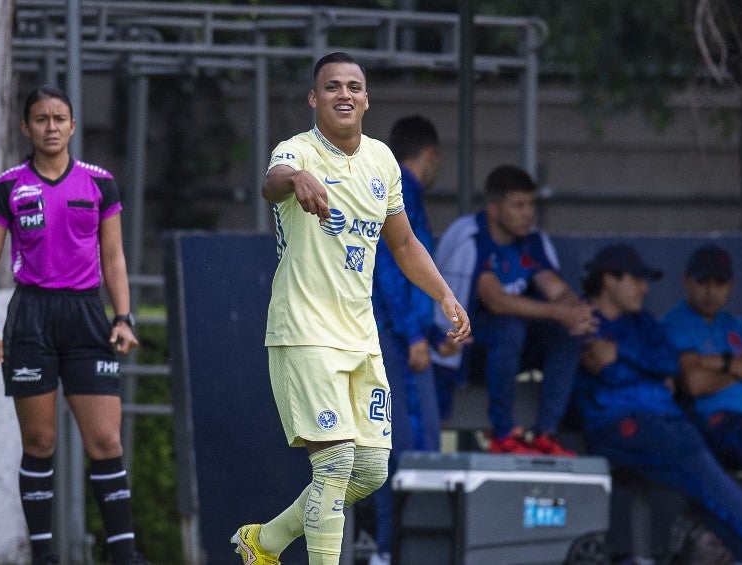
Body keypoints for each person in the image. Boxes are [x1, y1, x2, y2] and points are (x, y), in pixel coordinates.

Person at [230, 52, 470, 565]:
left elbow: (403, 245)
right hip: (305, 330)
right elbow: (271, 181)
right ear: (314, 99)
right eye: (332, 87)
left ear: (366, 99)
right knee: (335, 464)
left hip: (361, 337)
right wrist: (295, 180)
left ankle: (265, 541)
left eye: (354, 87)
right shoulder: (296, 151)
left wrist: (443, 293)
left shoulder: (383, 162)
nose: (344, 94)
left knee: (370, 472)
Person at [0, 85, 143, 565]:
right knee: (40, 442)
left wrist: (123, 317)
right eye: (41, 119)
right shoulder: (9, 185)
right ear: (26, 127)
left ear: (72, 126)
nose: (51, 127)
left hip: (87, 318)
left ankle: (123, 554)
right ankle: (43, 556)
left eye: (60, 118)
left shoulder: (99, 182)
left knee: (106, 440)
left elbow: (113, 255)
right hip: (32, 318)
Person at [574, 244, 742, 563]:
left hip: (665, 420)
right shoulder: (583, 319)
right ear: (610, 280)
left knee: (697, 479)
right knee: (691, 458)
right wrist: (644, 369)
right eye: (637, 278)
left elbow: (668, 363)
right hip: (618, 424)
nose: (645, 287)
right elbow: (615, 376)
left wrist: (621, 355)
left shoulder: (641, 322)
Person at [432, 165, 595, 455]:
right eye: (518, 205)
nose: (528, 213)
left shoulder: (531, 241)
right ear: (494, 209)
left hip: (511, 353)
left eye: (531, 204)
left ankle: (546, 433)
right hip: (464, 353)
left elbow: (556, 289)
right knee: (510, 327)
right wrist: (560, 312)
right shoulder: (473, 236)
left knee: (566, 334)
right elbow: (496, 300)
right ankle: (503, 433)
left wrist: (578, 315)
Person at [368, 115, 453, 565]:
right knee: (405, 446)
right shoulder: (398, 188)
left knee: (411, 446)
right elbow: (389, 266)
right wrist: (415, 333)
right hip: (393, 338)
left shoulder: (398, 188)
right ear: (431, 153)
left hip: (401, 335)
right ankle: (391, 551)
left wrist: (434, 333)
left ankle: (396, 550)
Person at [660, 244, 742, 525]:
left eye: (720, 283)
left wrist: (722, 362)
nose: (711, 291)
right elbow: (694, 382)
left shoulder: (739, 326)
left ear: (732, 285)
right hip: (713, 421)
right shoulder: (674, 324)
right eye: (703, 282)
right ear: (686, 281)